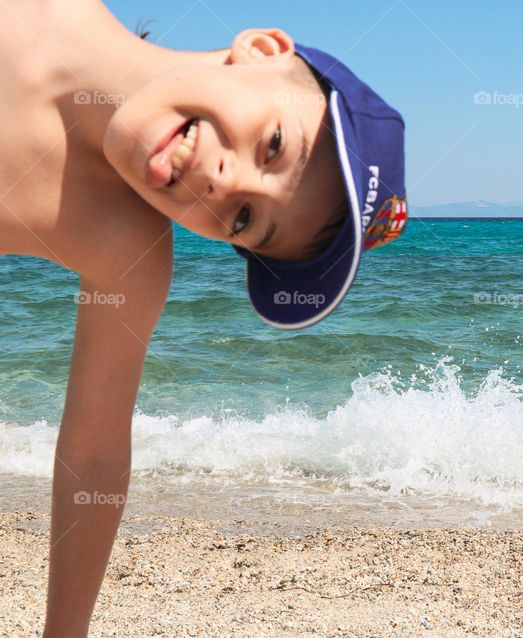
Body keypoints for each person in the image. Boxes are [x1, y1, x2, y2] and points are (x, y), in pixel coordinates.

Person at [0, 1, 407, 635]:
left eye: (245, 221)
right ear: (263, 49)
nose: (225, 182)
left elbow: (95, 453)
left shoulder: (123, 247)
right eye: (274, 146)